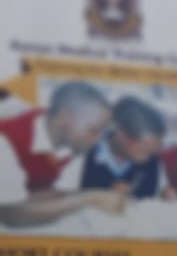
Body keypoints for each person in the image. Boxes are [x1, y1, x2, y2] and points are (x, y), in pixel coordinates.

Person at [0, 81, 123, 229]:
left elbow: (50, 193)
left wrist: (98, 196)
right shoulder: (6, 139)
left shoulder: (74, 142)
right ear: (65, 118)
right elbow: (9, 214)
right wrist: (89, 199)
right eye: (94, 130)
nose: (98, 140)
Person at [79, 96, 165, 198]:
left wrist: (162, 198)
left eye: (153, 151)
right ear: (122, 135)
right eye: (143, 151)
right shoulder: (85, 153)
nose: (148, 157)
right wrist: (103, 196)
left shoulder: (151, 159)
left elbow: (148, 197)